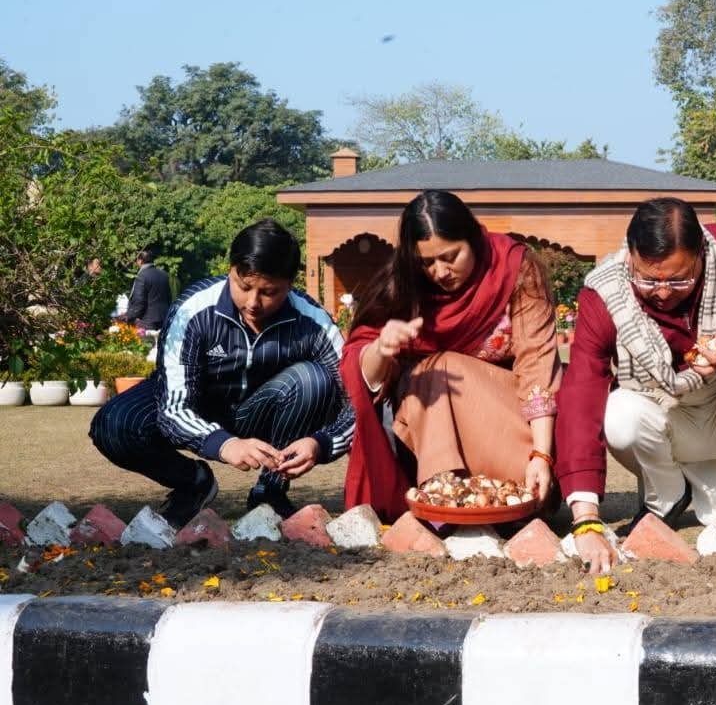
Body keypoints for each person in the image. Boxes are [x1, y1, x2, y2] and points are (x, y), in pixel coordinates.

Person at [556, 197, 716, 574]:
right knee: (616, 411)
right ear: (630, 257)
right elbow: (581, 393)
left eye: (679, 279)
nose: (662, 292)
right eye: (648, 279)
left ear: (702, 256)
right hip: (663, 419)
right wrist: (586, 517)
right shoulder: (603, 292)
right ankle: (667, 496)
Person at [90, 220, 354, 526]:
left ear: (290, 283)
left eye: (270, 292)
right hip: (197, 403)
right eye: (244, 287)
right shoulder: (193, 311)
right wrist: (224, 444)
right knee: (114, 424)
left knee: (313, 380)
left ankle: (270, 492)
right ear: (230, 270)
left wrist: (322, 443)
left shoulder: (313, 321)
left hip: (265, 406)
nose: (254, 302)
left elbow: (357, 402)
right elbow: (174, 406)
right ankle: (192, 483)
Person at [339, 190, 561, 522]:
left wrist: (541, 455)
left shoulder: (514, 270)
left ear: (473, 238)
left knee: (441, 365)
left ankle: (475, 500)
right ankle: (444, 498)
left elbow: (537, 364)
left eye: (450, 256)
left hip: (513, 426)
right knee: (430, 373)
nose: (440, 272)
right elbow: (364, 375)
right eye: (426, 262)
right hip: (427, 422)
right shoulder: (402, 284)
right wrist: (381, 349)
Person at [124, 247, 171, 331]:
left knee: (146, 343)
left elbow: (139, 300)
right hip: (164, 317)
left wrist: (129, 316)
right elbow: (168, 297)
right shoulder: (164, 274)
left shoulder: (142, 276)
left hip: (147, 320)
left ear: (140, 261)